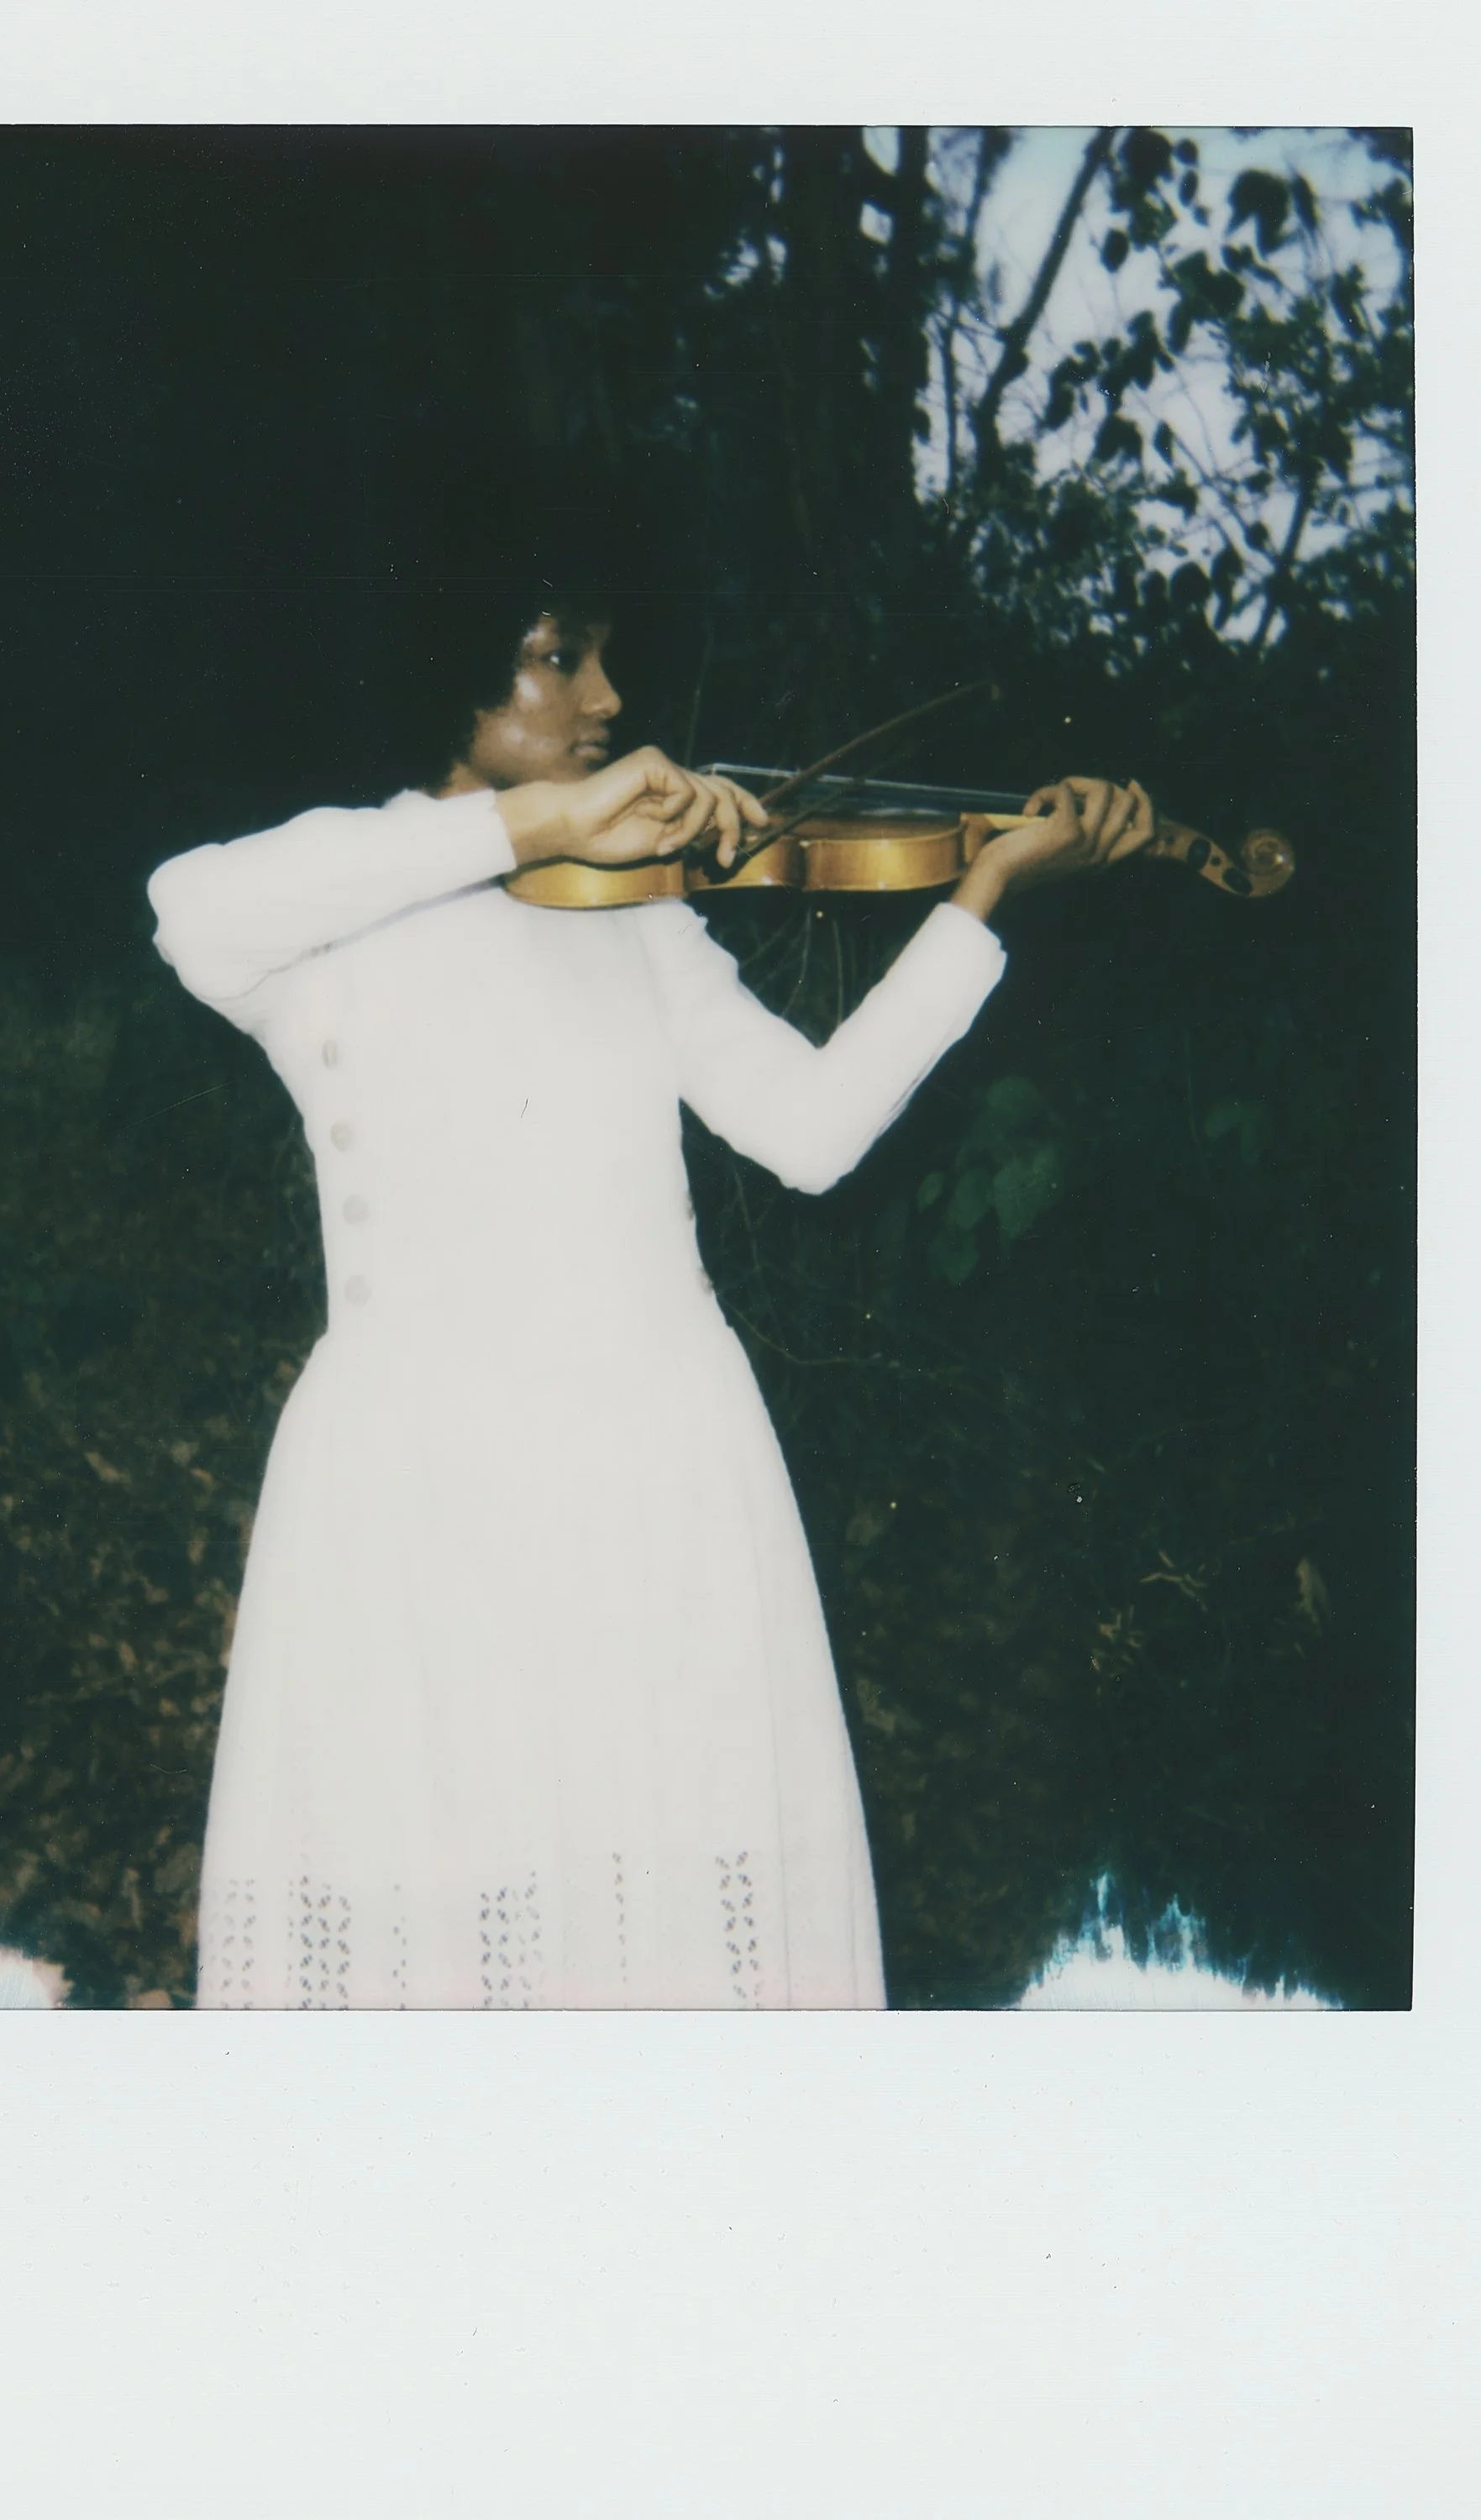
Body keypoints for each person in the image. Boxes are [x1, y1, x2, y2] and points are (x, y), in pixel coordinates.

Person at [147, 593, 1153, 2009]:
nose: (609, 698)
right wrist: (546, 822)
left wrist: (980, 900)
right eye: (559, 658)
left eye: (605, 659)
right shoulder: (335, 906)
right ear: (440, 668)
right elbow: (185, 908)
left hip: (659, 1463)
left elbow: (811, 1132)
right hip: (420, 1476)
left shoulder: (634, 913)